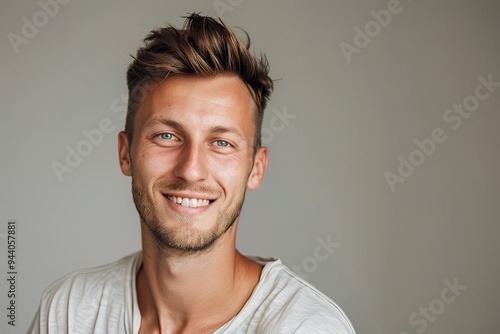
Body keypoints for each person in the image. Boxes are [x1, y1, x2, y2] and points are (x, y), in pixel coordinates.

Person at [28, 13, 356, 333]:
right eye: (167, 136)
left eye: (222, 143)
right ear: (125, 154)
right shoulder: (68, 312)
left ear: (256, 169)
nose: (191, 170)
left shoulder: (306, 327)